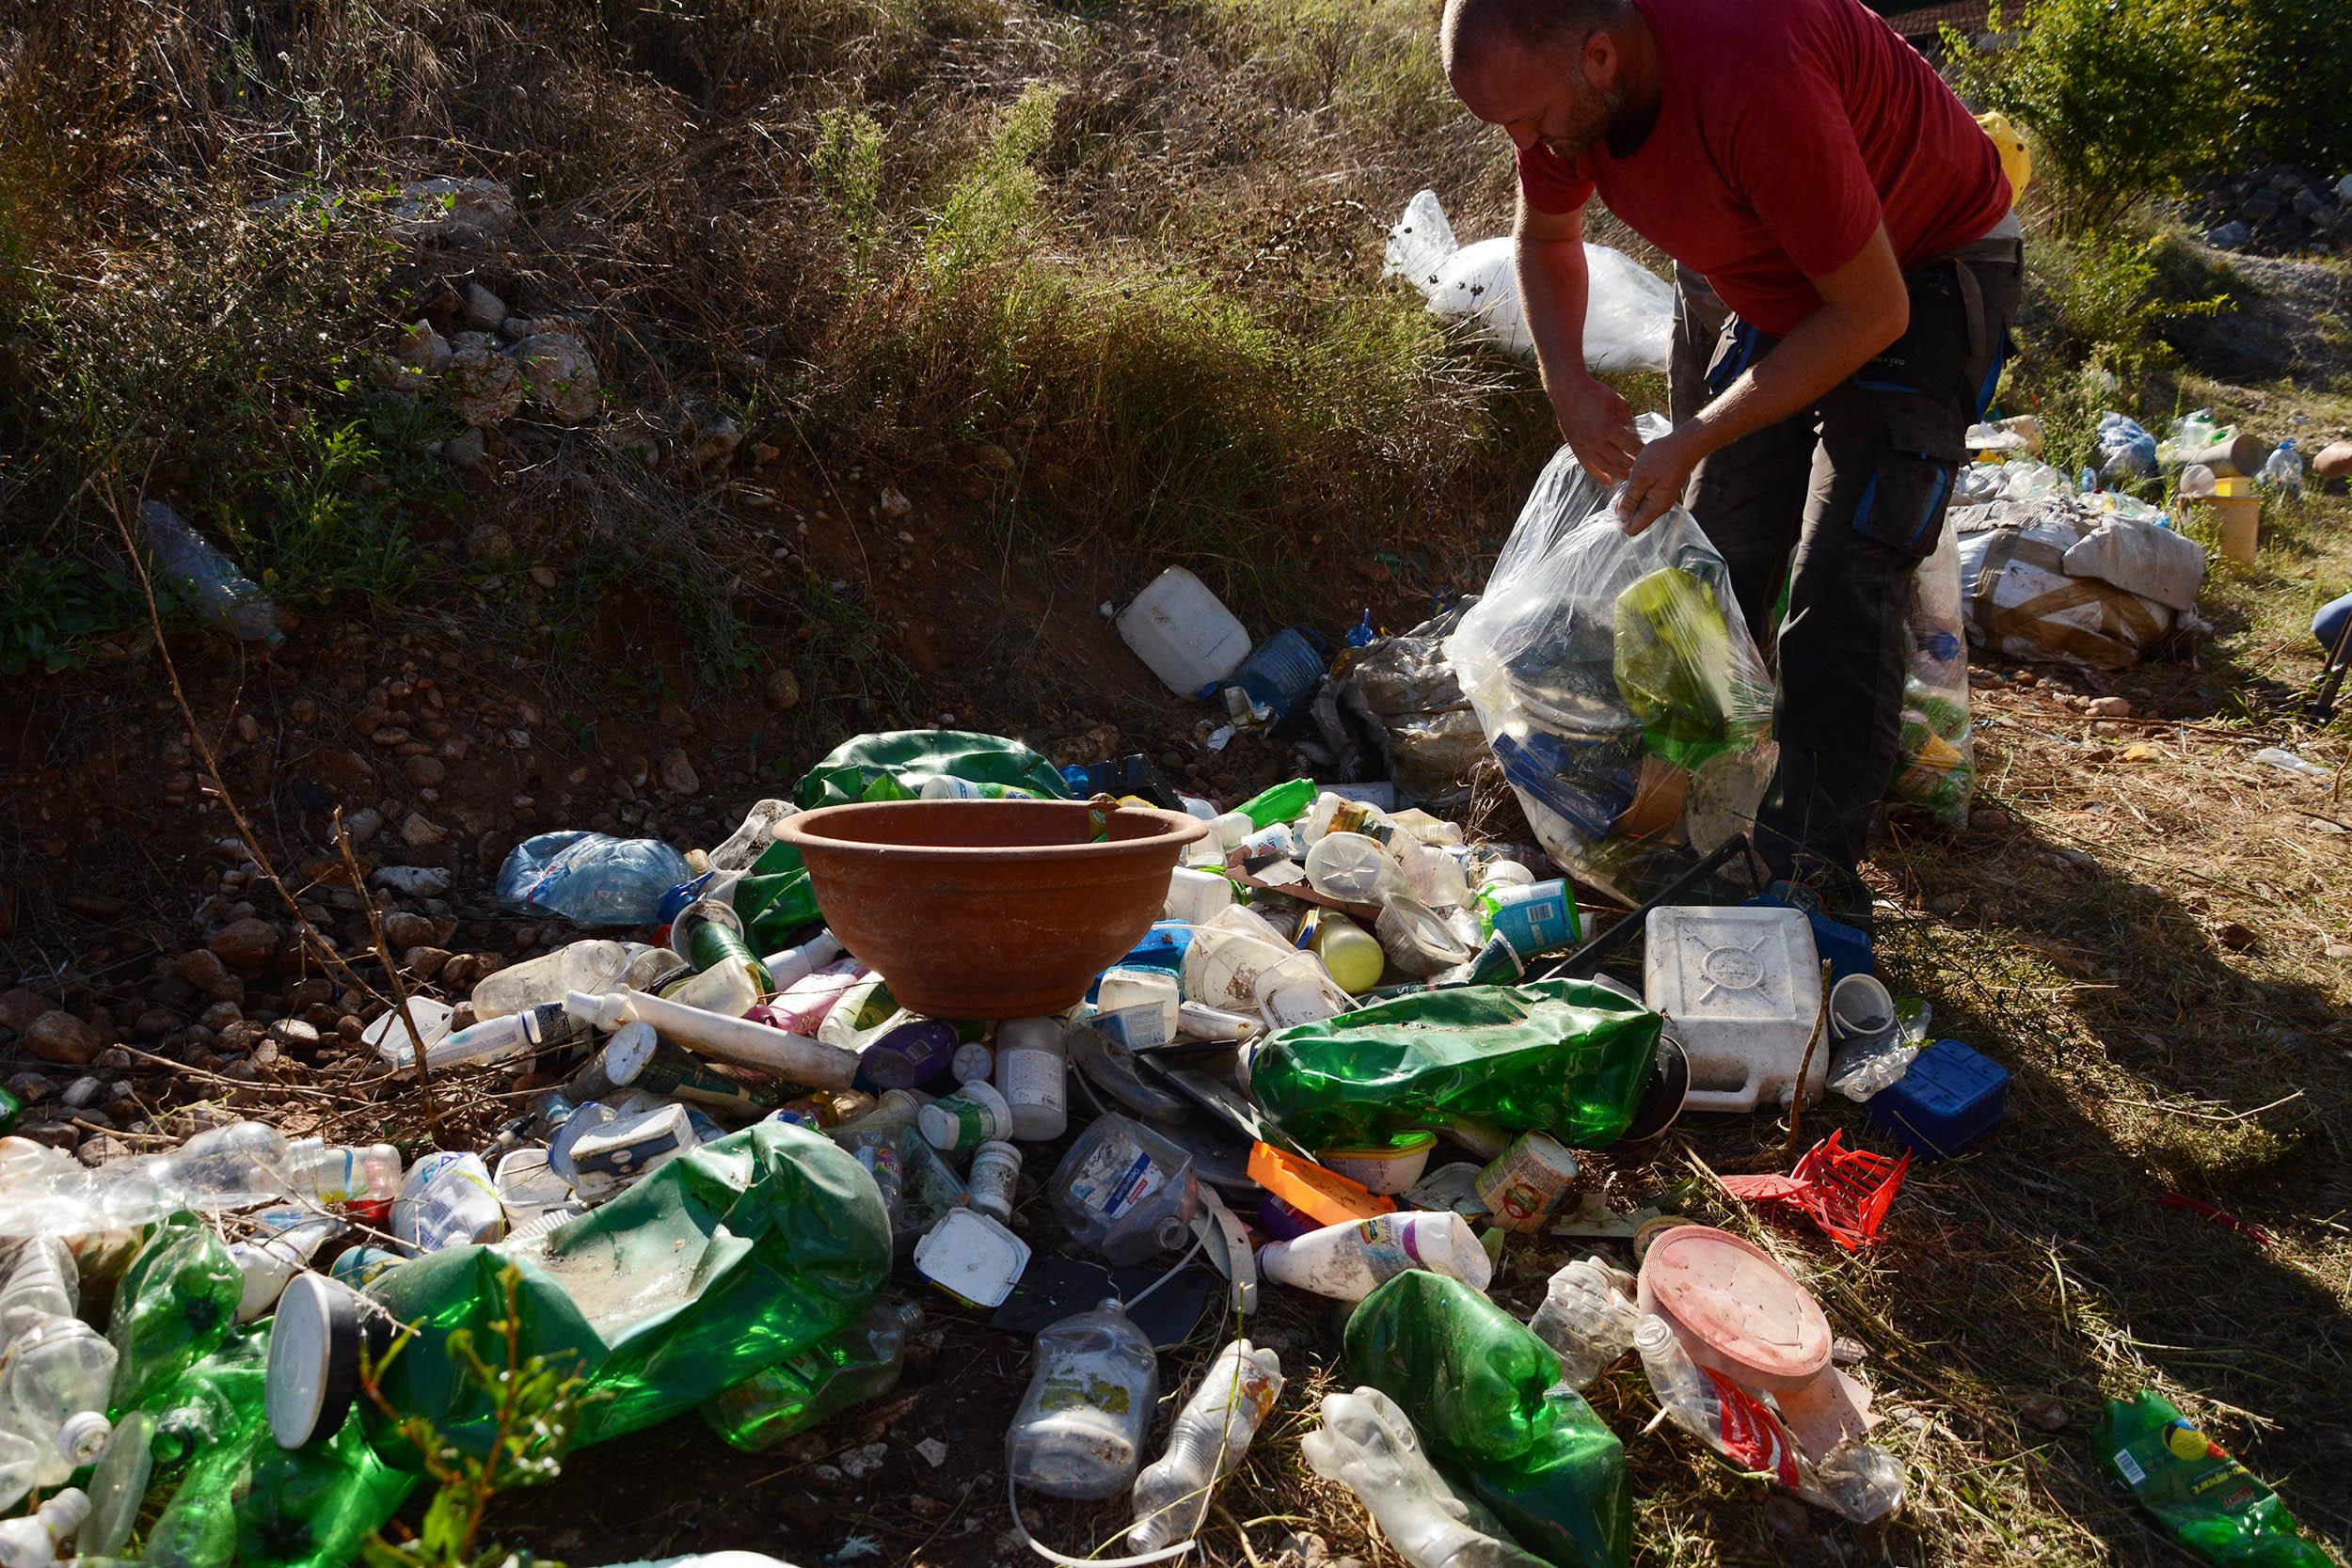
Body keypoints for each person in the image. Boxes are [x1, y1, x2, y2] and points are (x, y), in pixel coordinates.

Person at [1441, 0, 2021, 915]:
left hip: (1920, 269)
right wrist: (1564, 382)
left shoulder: (1752, 72)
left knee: (1841, 577)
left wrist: (1697, 432)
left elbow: (1870, 314)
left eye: (1525, 117)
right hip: (1786, 279)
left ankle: (1805, 879)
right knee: (1711, 559)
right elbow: (1545, 239)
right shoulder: (1566, 96)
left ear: (1599, 57)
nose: (1523, 143)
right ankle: (1680, 815)